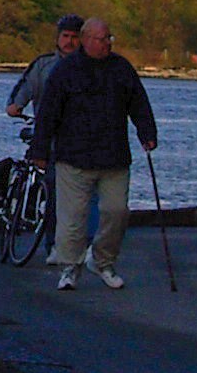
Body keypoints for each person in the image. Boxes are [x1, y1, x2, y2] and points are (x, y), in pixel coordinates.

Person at [34, 15, 158, 291]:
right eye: (103, 39)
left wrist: (147, 133)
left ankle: (103, 260)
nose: (108, 44)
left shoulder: (121, 69)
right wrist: (40, 149)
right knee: (72, 218)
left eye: (109, 38)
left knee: (116, 212)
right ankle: (69, 267)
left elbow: (138, 103)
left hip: (113, 156)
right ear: (87, 40)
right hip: (73, 156)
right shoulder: (66, 72)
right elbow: (48, 113)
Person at [5, 14, 84, 153]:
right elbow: (26, 86)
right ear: (58, 38)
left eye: (74, 37)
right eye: (65, 36)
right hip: (46, 136)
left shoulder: (91, 67)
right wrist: (16, 105)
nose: (69, 41)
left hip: (80, 138)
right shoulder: (42, 64)